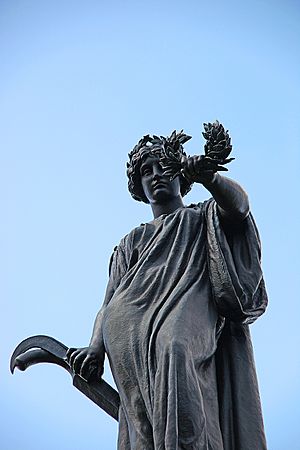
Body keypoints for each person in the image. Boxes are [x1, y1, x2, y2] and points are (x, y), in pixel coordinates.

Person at [67, 131, 268, 450]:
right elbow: (108, 303)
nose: (156, 175)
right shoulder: (130, 243)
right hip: (126, 336)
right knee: (141, 426)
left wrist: (211, 178)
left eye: (163, 166)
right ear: (138, 186)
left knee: (175, 350)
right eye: (146, 170)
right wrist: (95, 347)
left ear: (179, 173)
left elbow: (240, 207)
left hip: (181, 318)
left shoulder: (203, 216)